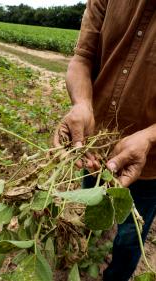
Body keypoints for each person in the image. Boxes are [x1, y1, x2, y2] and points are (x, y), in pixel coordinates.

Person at [54, 0, 156, 280]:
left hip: (149, 165)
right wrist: (82, 104)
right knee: (91, 204)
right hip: (94, 147)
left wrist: (149, 137)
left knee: (129, 234)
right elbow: (82, 58)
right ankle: (85, 245)